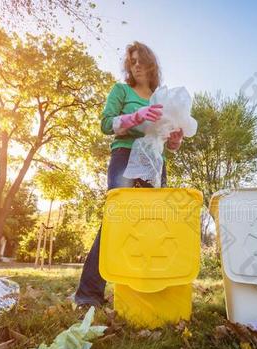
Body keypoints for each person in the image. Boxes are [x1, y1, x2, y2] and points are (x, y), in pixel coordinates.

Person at [74, 41, 184, 307]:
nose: (136, 64)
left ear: (151, 64)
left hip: (154, 162)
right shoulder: (121, 90)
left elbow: (167, 140)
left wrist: (175, 139)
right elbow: (106, 123)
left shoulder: (162, 96)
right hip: (125, 155)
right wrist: (137, 116)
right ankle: (88, 294)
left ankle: (145, 290)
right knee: (116, 222)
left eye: (140, 60)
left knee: (151, 224)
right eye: (131, 60)